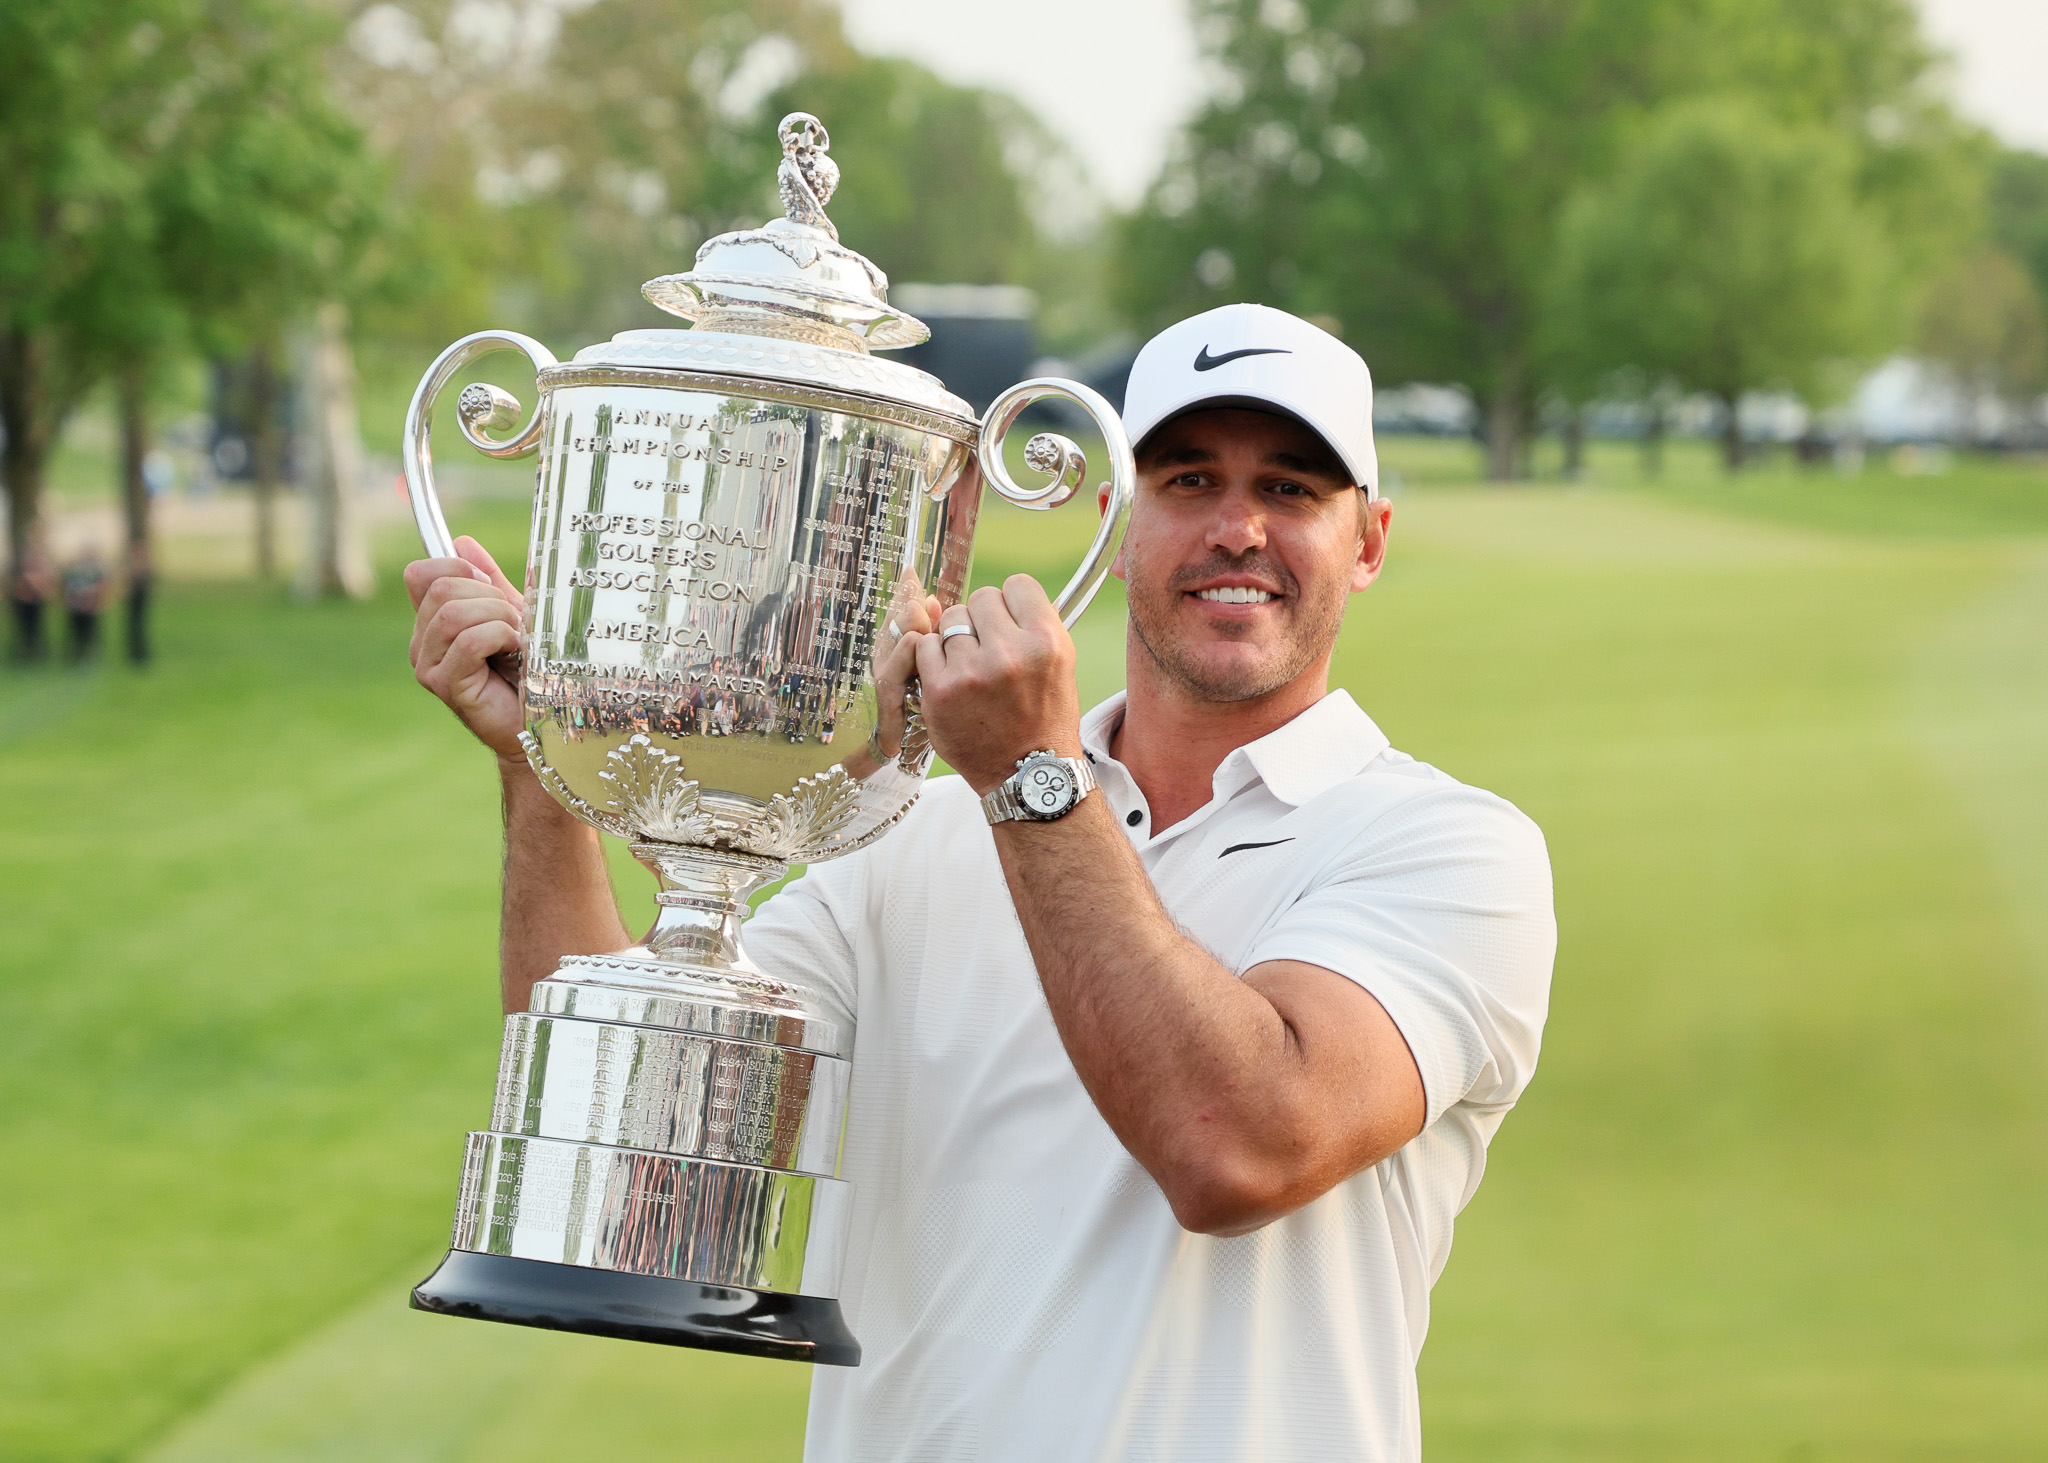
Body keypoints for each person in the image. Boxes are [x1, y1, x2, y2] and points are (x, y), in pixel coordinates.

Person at [406, 303, 1555, 1462]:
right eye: (1188, 479)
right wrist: (542, 773)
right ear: (1116, 520)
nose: (1236, 528)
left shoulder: (1449, 847)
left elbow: (1236, 1148)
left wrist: (1025, 776)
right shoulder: (909, 832)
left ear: (1368, 540)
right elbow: (632, 1153)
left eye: (1292, 488)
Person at [61, 547, 108, 663]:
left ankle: (89, 654)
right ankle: (76, 653)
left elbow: (102, 587)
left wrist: (97, 602)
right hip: (76, 607)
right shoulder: (73, 571)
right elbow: (67, 588)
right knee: (76, 632)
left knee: (90, 632)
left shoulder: (96, 571)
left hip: (90, 607)